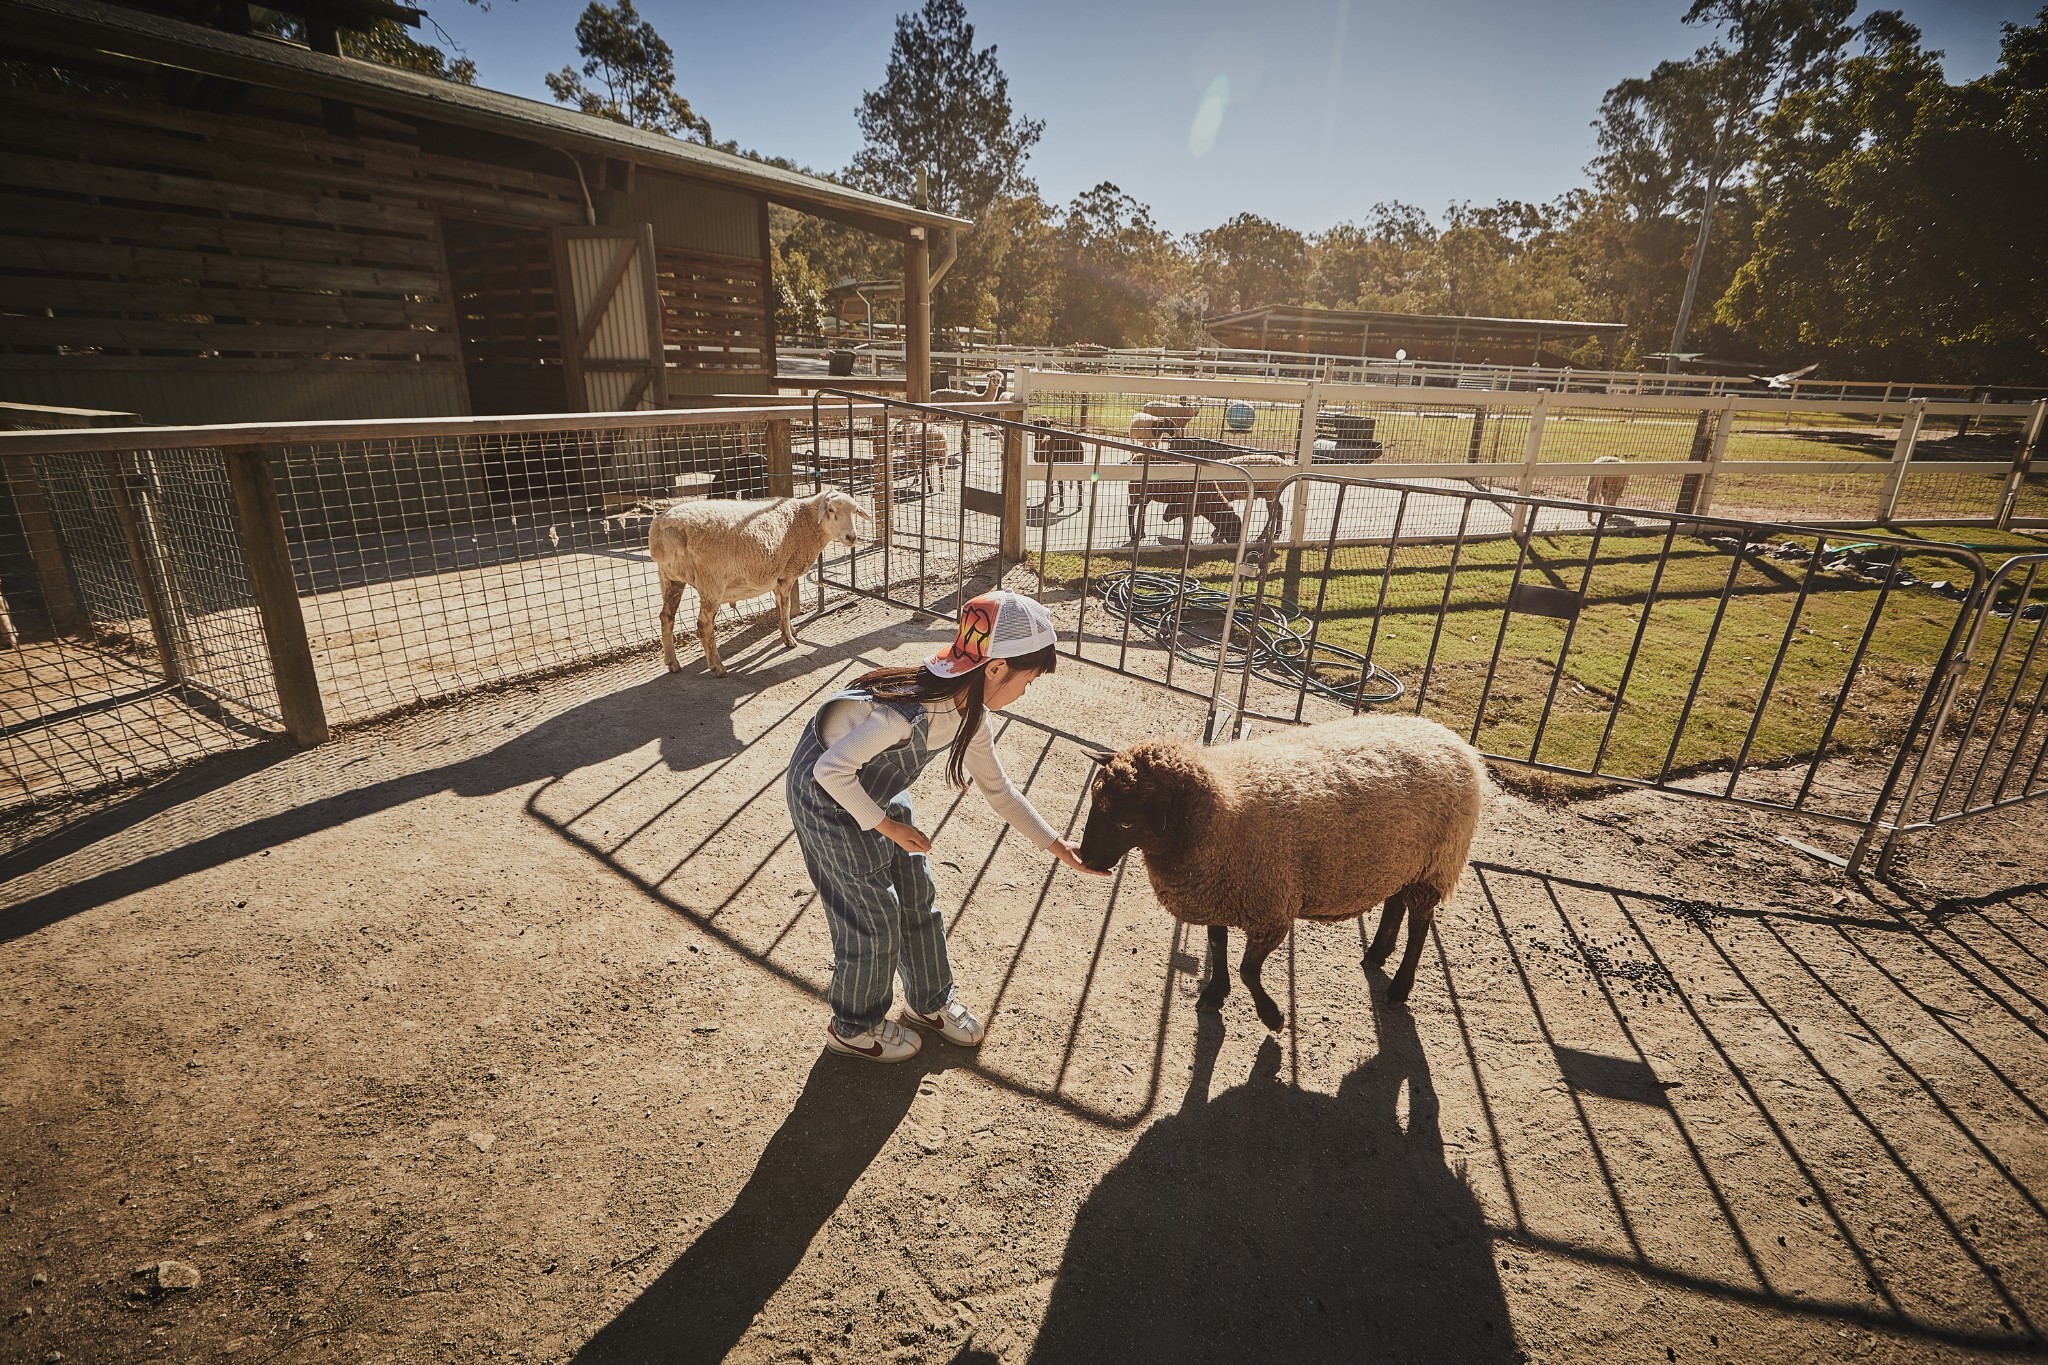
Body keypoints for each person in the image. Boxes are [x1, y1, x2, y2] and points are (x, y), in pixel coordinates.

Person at [786, 589, 1106, 1063]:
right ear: (995, 669)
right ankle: (853, 1026)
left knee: (917, 893)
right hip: (827, 798)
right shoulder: (904, 714)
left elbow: (1000, 791)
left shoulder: (970, 714)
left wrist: (1058, 846)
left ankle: (929, 1001)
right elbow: (830, 772)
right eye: (1030, 679)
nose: (1026, 691)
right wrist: (888, 829)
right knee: (874, 916)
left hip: (873, 787)